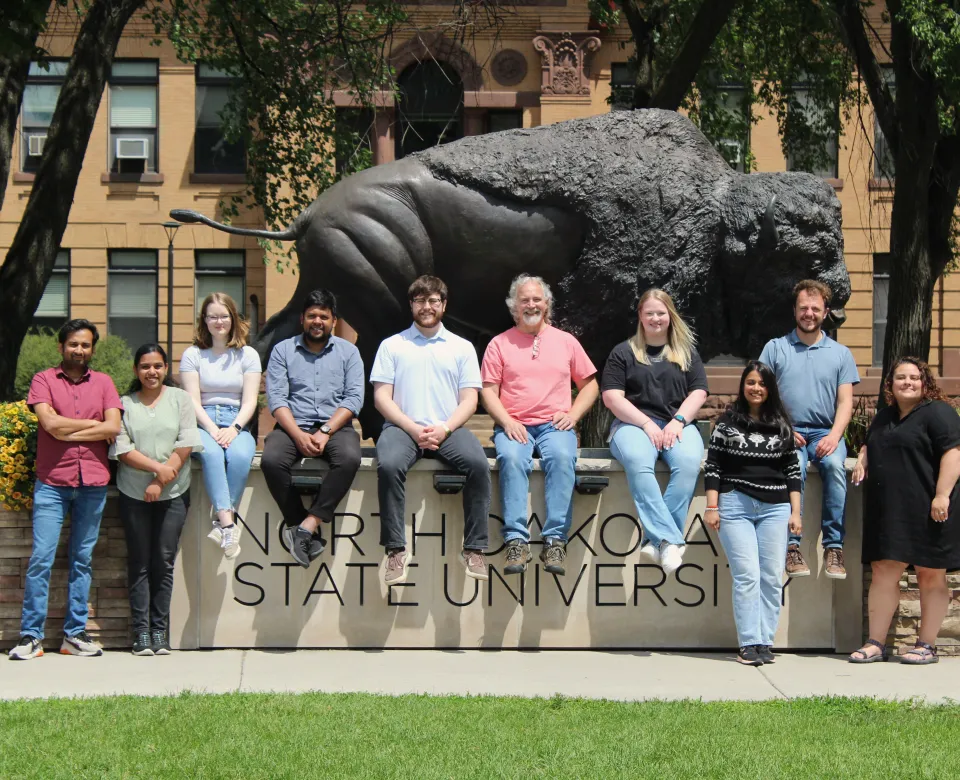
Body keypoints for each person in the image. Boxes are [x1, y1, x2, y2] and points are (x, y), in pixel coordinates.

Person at [8, 320, 122, 660]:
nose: (79, 350)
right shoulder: (44, 379)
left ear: (92, 350)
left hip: (93, 483)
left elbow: (114, 426)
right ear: (61, 347)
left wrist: (71, 429)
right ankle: (31, 637)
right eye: (73, 344)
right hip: (52, 484)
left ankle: (74, 636)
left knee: (82, 560)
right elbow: (50, 424)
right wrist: (93, 425)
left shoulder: (104, 382)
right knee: (41, 560)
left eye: (85, 345)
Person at [371, 275, 490, 586]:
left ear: (443, 305)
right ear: (411, 305)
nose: (427, 306)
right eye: (420, 301)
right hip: (402, 427)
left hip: (448, 428)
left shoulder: (461, 348)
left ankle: (474, 548)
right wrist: (412, 428)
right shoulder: (392, 345)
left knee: (478, 465)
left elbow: (470, 400)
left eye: (433, 300)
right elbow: (382, 397)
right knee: (390, 464)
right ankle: (396, 550)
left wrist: (445, 428)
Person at [480, 274, 598, 576]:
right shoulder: (499, 344)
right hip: (514, 424)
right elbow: (488, 392)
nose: (530, 304)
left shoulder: (566, 341)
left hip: (553, 425)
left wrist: (572, 416)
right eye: (524, 300)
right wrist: (506, 421)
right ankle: (516, 542)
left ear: (546, 304)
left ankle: (555, 541)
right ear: (513, 306)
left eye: (536, 299)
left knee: (561, 458)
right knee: (511, 458)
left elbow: (590, 386)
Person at [849, 358, 960, 665]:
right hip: (890, 510)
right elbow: (872, 442)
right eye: (901, 377)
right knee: (884, 571)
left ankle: (926, 645)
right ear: (891, 383)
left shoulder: (939, 412)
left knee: (930, 575)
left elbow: (954, 453)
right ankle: (875, 643)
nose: (907, 382)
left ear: (925, 383)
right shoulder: (885, 416)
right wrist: (862, 457)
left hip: (930, 507)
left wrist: (942, 496)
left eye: (914, 377)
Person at [601, 288, 708, 575]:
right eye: (649, 313)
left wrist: (679, 420)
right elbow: (612, 397)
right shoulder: (623, 352)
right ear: (640, 316)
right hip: (632, 424)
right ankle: (670, 539)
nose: (655, 318)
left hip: (677, 424)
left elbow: (699, 391)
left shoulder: (686, 352)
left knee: (687, 464)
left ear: (670, 316)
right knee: (638, 462)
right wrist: (647, 424)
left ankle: (655, 541)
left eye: (661, 313)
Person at [703, 361, 803, 666]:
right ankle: (748, 643)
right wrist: (712, 506)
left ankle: (764, 642)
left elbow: (792, 470)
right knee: (747, 575)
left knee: (772, 577)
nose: (756, 388)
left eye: (761, 383)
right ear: (742, 386)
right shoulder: (727, 423)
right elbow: (713, 466)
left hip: (776, 507)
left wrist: (796, 512)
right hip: (736, 505)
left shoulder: (782, 425)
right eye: (750, 382)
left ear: (769, 388)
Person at [759, 279, 859, 580]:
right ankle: (792, 547)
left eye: (816, 308)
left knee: (834, 466)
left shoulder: (841, 354)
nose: (809, 313)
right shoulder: (775, 348)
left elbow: (845, 403)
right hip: (787, 431)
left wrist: (833, 436)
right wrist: (782, 427)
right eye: (804, 308)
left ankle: (833, 548)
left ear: (825, 312)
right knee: (794, 468)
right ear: (795, 311)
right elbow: (760, 395)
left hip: (825, 432)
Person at [262, 289, 363, 568]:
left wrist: (326, 430)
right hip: (293, 425)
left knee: (350, 458)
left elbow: (354, 398)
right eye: (311, 316)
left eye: (323, 316)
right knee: (270, 460)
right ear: (302, 319)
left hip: (336, 427)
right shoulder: (283, 350)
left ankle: (309, 523)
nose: (317, 321)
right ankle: (299, 526)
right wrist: (297, 434)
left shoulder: (349, 352)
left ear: (333, 321)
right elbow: (278, 399)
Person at [111, 344, 201, 656]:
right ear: (136, 370)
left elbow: (187, 441)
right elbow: (123, 449)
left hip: (174, 493)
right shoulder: (124, 404)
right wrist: (158, 472)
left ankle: (160, 631)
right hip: (134, 492)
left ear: (166, 369)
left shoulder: (180, 400)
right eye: (146, 366)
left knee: (163, 561)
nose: (152, 372)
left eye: (158, 366)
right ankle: (141, 634)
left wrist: (162, 480)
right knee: (139, 561)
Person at [180, 292, 261, 559]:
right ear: (204, 320)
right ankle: (228, 523)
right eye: (212, 316)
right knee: (212, 454)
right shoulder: (193, 354)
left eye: (224, 316)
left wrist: (234, 429)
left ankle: (221, 521)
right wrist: (212, 430)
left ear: (233, 318)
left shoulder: (247, 354)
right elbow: (191, 400)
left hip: (237, 421)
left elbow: (250, 401)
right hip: (202, 421)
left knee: (239, 455)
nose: (218, 322)